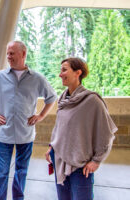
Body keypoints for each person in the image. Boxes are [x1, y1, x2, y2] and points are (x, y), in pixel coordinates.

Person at [0, 41, 57, 200]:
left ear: (23, 54)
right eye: (8, 53)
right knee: (1, 172)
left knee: (21, 171)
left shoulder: (37, 78)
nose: (8, 56)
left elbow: (52, 97)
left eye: (12, 53)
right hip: (4, 134)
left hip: (26, 134)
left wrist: (40, 116)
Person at [45, 57, 117, 200]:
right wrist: (51, 147)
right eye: (60, 71)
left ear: (78, 72)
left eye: (64, 70)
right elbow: (59, 127)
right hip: (59, 159)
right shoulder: (63, 99)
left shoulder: (92, 101)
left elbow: (106, 134)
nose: (60, 74)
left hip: (80, 165)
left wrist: (96, 160)